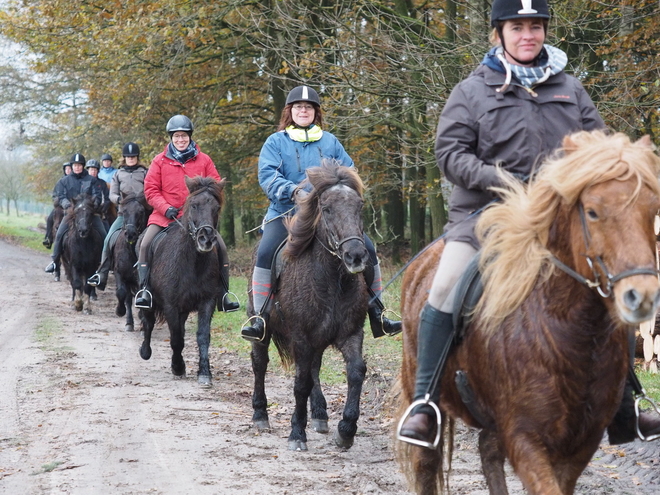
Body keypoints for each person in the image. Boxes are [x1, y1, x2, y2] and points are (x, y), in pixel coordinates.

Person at [398, 0, 660, 446]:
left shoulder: (570, 89)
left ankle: (624, 402)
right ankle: (424, 403)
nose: (528, 35)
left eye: (536, 26)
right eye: (517, 26)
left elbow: (599, 148)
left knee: (607, 283)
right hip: (487, 217)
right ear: (498, 33)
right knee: (444, 289)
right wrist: (500, 179)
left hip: (557, 222)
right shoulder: (472, 90)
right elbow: (451, 155)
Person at [239, 85, 401, 342]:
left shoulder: (330, 141)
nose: (303, 111)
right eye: (298, 107)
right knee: (266, 251)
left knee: (367, 248)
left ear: (316, 112)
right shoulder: (275, 142)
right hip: (286, 213)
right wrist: (292, 191)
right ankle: (260, 316)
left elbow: (350, 171)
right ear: (289, 111)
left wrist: (339, 194)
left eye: (309, 107)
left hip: (328, 215)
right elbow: (268, 176)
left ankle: (378, 312)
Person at [134, 115, 239, 313]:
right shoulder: (159, 161)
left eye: (184, 136)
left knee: (222, 248)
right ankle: (145, 291)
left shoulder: (204, 159)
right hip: (166, 217)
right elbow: (150, 190)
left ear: (190, 137)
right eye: (177, 136)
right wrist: (165, 208)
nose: (181, 140)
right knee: (145, 244)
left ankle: (224, 295)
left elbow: (216, 187)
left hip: (198, 220)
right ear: (171, 138)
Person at [88, 143, 148, 290]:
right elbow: (112, 194)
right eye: (128, 157)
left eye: (133, 157)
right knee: (108, 238)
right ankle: (102, 273)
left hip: (143, 214)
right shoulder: (118, 174)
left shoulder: (145, 172)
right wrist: (119, 200)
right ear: (124, 158)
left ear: (137, 157)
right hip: (124, 214)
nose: (131, 159)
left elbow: (150, 189)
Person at [44, 153, 107, 274]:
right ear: (72, 166)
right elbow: (61, 196)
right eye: (75, 165)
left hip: (89, 214)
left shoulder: (92, 180)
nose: (77, 167)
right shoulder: (64, 181)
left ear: (83, 166)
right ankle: (55, 261)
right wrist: (67, 205)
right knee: (59, 235)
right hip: (71, 214)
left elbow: (97, 196)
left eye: (79, 165)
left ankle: (105, 263)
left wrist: (92, 205)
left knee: (104, 235)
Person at [42, 162, 72, 249]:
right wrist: (58, 201)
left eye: (69, 169)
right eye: (66, 169)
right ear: (64, 170)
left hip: (71, 206)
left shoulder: (75, 181)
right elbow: (55, 195)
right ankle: (48, 238)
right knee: (50, 218)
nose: (68, 170)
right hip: (60, 206)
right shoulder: (60, 181)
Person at [86, 159, 112, 230]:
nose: (93, 172)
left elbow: (107, 199)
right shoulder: (83, 183)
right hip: (85, 213)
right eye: (91, 170)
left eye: (95, 170)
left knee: (105, 232)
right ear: (88, 170)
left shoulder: (102, 183)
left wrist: (102, 210)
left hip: (99, 213)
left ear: (98, 171)